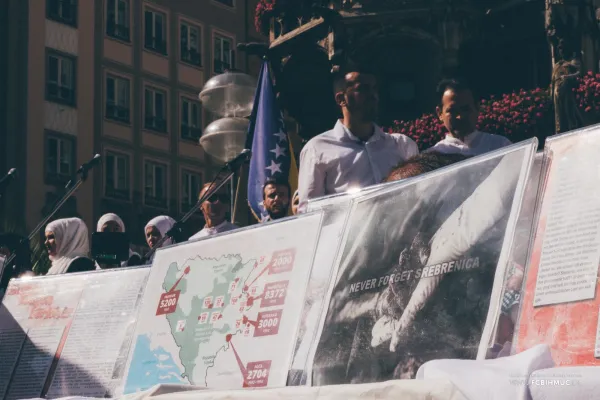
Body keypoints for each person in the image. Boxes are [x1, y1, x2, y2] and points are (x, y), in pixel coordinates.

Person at [297, 66, 419, 211]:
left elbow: (418, 195)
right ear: (341, 99)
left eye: (374, 88)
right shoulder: (317, 149)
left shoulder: (401, 145)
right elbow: (309, 212)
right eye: (363, 89)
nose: (373, 95)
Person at [427, 78, 512, 156]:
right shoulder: (432, 156)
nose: (460, 117)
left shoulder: (500, 146)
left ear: (477, 108)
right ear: (440, 113)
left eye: (466, 109)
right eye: (452, 111)